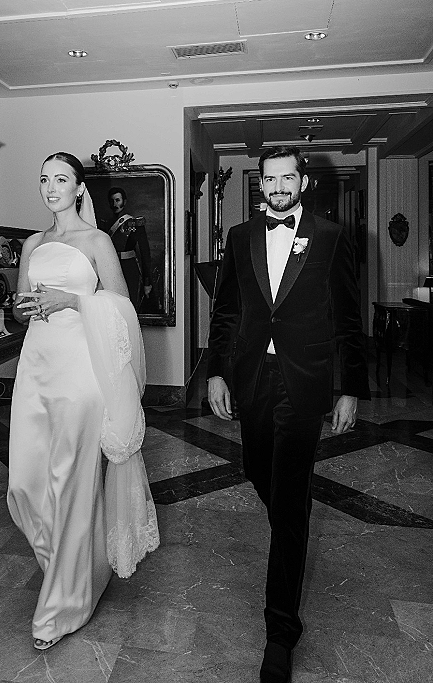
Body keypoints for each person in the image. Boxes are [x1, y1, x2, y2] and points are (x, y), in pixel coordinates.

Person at [206, 146, 369, 683]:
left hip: (304, 382)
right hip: (253, 377)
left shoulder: (332, 236)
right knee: (260, 471)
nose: (277, 186)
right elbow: (226, 311)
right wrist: (215, 372)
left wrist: (350, 389)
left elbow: (348, 317)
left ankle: (280, 632)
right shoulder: (240, 237)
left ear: (304, 182)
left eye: (287, 177)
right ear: (261, 184)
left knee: (292, 498)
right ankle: (289, 532)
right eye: (269, 179)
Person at [7, 152, 159, 652]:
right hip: (36, 369)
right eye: (44, 179)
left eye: (61, 179)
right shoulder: (32, 244)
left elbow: (123, 308)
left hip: (80, 373)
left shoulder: (97, 241)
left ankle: (62, 605)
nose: (51, 187)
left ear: (78, 189)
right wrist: (23, 308)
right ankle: (74, 566)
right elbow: (20, 308)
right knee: (25, 482)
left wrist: (73, 301)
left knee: (70, 482)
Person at [106, 186, 153, 309]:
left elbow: (145, 254)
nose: (115, 204)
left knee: (129, 305)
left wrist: (147, 281)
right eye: (112, 201)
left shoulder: (135, 224)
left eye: (118, 200)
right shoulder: (105, 224)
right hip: (111, 268)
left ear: (124, 201)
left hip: (129, 268)